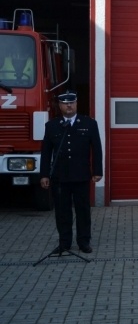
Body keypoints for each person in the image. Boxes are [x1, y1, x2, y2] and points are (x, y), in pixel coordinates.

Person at [39, 91, 103, 254]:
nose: (69, 106)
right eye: (65, 103)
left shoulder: (89, 123)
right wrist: (44, 174)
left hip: (81, 175)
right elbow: (46, 152)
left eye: (72, 103)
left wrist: (97, 171)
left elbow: (96, 149)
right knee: (62, 211)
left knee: (83, 210)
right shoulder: (52, 125)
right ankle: (64, 242)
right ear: (60, 106)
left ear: (76, 104)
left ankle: (84, 242)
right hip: (60, 176)